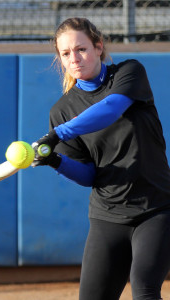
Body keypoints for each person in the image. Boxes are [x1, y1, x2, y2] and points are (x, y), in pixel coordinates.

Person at [32, 18, 170, 300]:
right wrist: (55, 162)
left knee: (144, 288)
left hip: (157, 207)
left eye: (81, 49)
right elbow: (89, 176)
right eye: (66, 53)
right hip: (108, 215)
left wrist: (58, 134)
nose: (75, 58)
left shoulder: (129, 72)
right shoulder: (62, 109)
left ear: (98, 47)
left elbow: (110, 109)